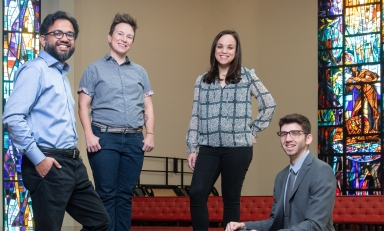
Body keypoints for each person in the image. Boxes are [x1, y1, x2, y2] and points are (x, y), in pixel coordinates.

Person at [2, 11, 109, 231]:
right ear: (43, 39)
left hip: (72, 163)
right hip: (48, 161)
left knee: (100, 222)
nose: (65, 38)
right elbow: (12, 117)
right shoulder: (35, 70)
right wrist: (38, 158)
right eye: (57, 33)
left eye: (70, 34)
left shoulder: (60, 75)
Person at [186, 30, 276, 230]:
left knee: (230, 198)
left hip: (237, 149)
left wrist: (253, 130)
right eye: (220, 46)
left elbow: (269, 104)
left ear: (236, 51)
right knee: (197, 193)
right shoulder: (202, 80)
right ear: (214, 49)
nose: (224, 51)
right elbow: (196, 115)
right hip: (208, 147)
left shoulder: (247, 76)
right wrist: (192, 147)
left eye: (229, 47)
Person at [77, 13, 154, 231]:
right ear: (109, 37)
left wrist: (150, 133)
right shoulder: (94, 69)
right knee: (106, 195)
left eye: (129, 36)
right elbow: (83, 105)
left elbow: (148, 107)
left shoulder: (140, 72)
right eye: (120, 34)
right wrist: (89, 134)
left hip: (133, 140)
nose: (124, 39)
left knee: (125, 196)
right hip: (104, 138)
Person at [225, 114, 336, 231]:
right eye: (283, 134)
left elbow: (315, 225)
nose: (288, 139)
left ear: (308, 138)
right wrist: (244, 225)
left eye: (295, 133)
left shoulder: (321, 171)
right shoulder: (281, 177)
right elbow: (275, 222)